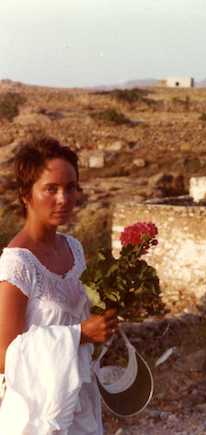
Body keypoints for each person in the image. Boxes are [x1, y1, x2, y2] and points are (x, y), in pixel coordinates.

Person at [0, 137, 118, 434]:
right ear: (27, 194)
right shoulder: (17, 264)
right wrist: (79, 335)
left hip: (79, 402)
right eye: (50, 189)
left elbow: (79, 317)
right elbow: (4, 356)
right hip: (37, 414)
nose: (64, 198)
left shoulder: (74, 249)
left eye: (71, 187)